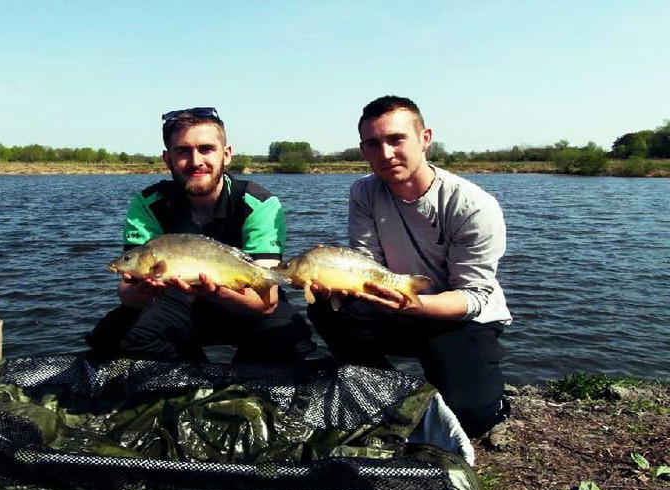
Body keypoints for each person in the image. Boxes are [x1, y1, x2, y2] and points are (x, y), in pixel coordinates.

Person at [307, 96, 512, 437]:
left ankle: (474, 389)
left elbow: (474, 296)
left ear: (425, 138)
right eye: (373, 144)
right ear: (363, 151)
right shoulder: (363, 192)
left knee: (470, 418)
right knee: (326, 307)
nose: (385, 154)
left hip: (459, 317)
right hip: (394, 302)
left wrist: (415, 304)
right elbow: (366, 262)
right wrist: (335, 275)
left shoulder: (473, 206)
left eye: (396, 140)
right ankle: (380, 386)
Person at [87, 107, 313, 365]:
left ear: (226, 155)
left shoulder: (259, 203)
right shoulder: (148, 203)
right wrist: (142, 290)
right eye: (183, 151)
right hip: (173, 302)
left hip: (241, 298)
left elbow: (267, 301)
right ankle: (196, 378)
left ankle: (236, 384)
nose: (196, 162)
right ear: (168, 159)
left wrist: (216, 292)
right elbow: (127, 294)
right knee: (115, 337)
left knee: (289, 338)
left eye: (206, 149)